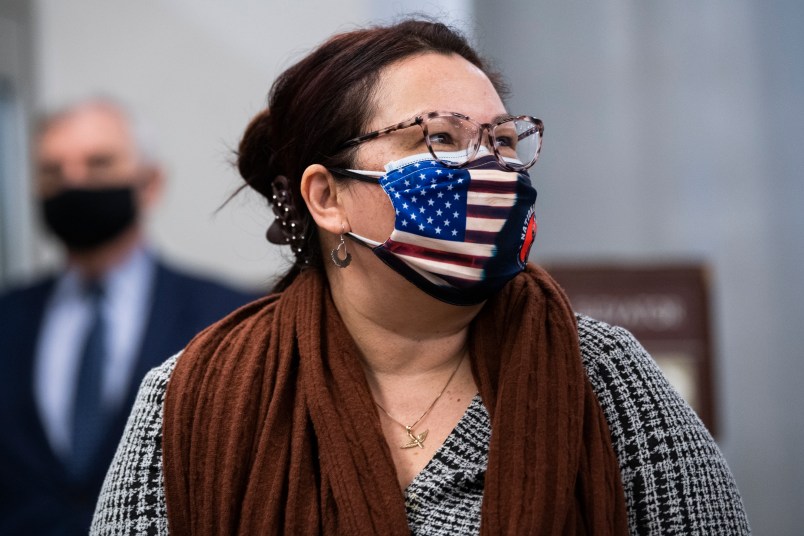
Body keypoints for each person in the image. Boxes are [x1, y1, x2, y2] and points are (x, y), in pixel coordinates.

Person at [90, 20, 750, 535]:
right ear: (328, 199)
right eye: (439, 137)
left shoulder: (602, 376)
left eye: (502, 141)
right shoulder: (197, 395)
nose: (489, 168)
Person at [0, 98, 260, 535]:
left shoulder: (227, 317)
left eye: (98, 164)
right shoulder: (7, 319)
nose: (73, 183)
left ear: (150, 182)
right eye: (53, 171)